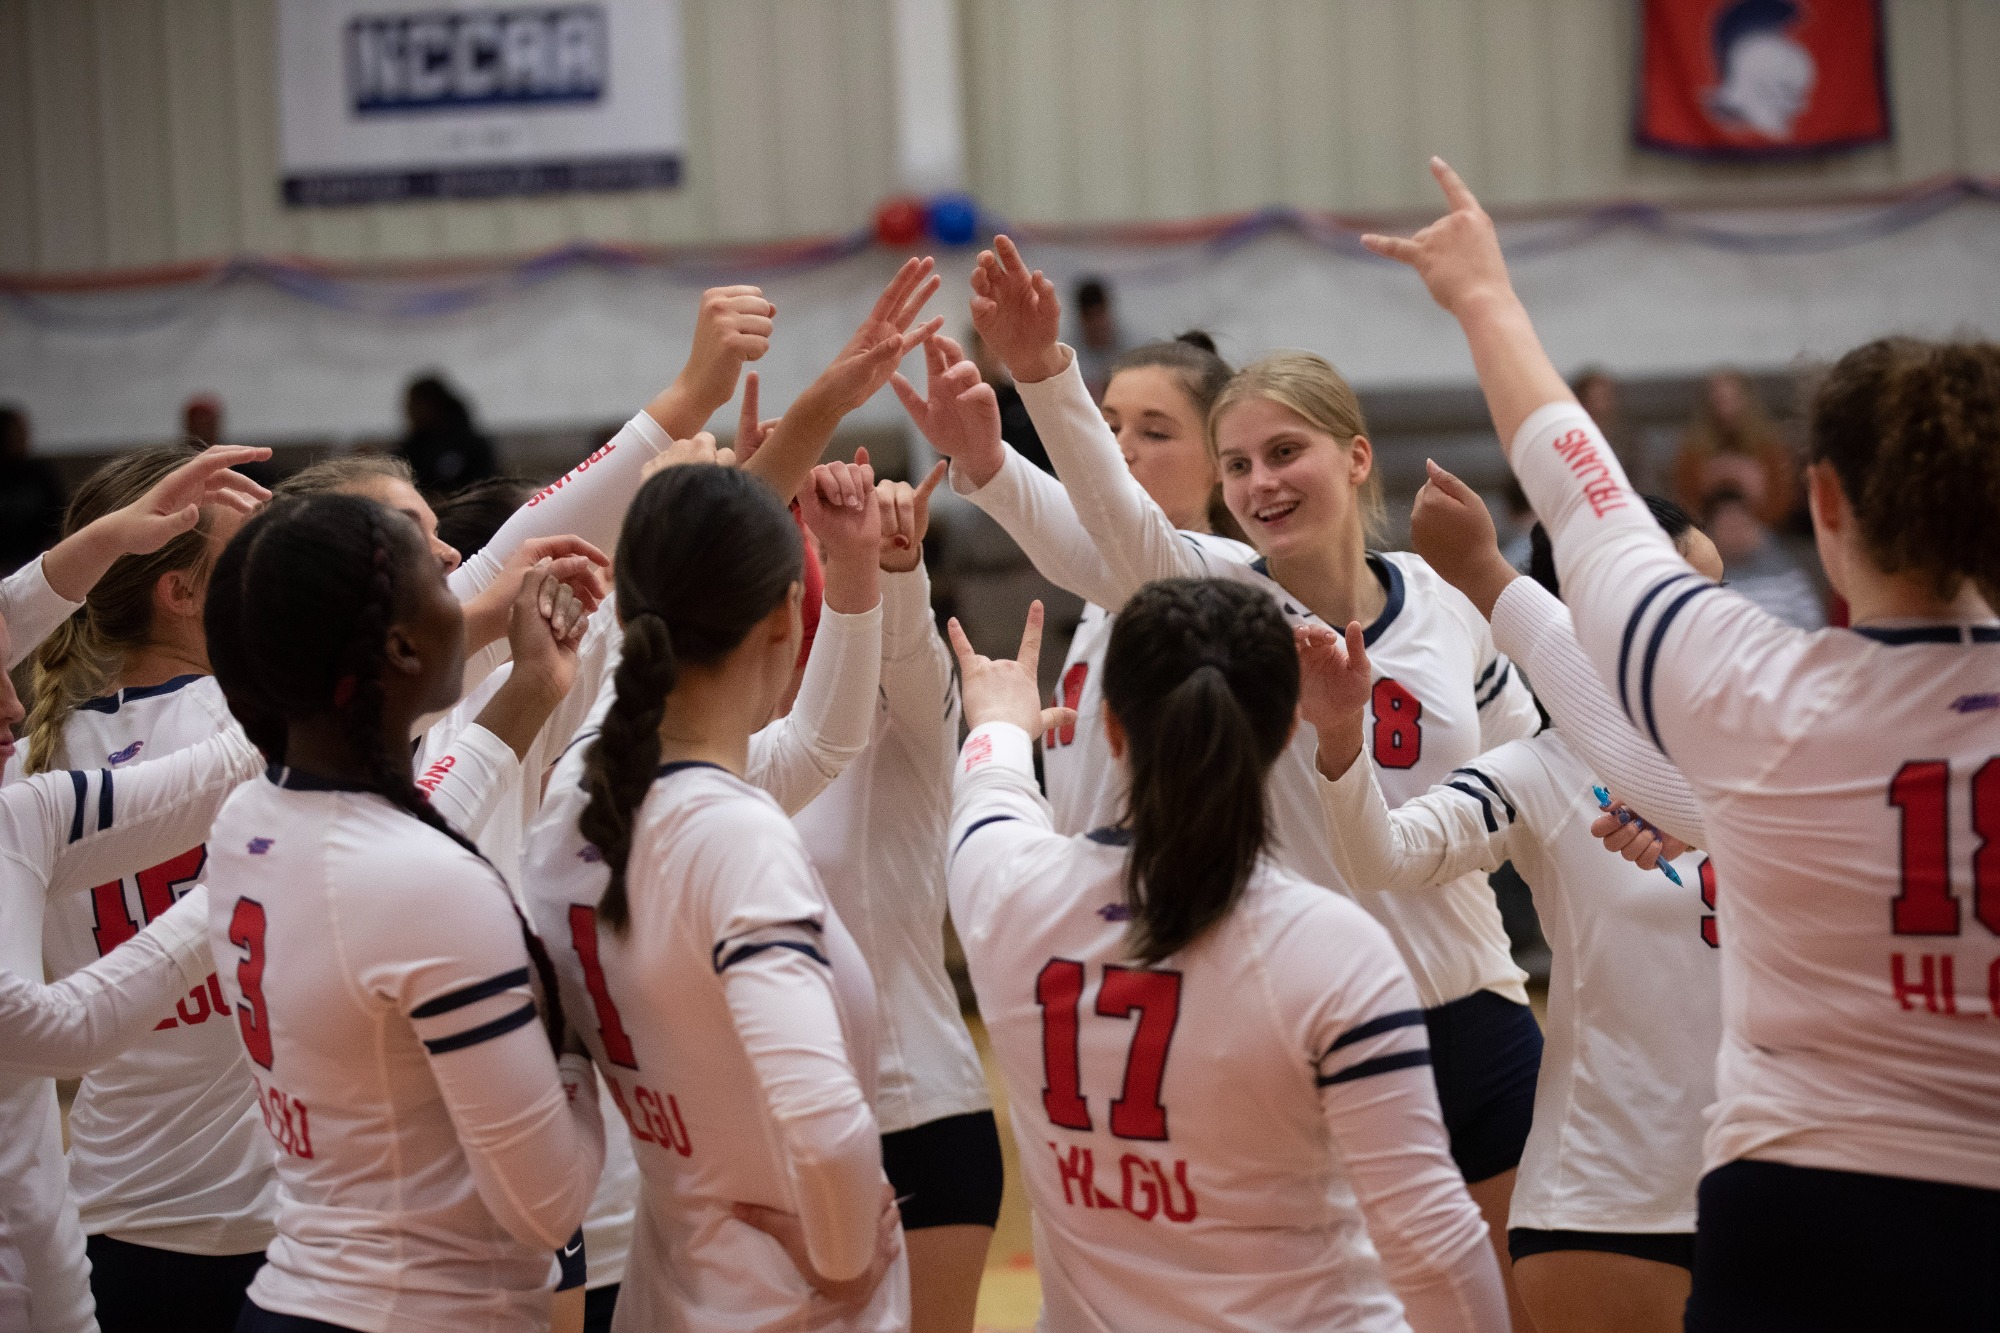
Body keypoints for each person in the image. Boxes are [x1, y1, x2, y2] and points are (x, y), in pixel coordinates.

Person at [1366, 154, 2000, 1330]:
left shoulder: (1761, 700)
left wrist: (1484, 298)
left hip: (1801, 1210)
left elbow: (1590, 513)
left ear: (1818, 501)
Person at [942, 234, 1547, 1319]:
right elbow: (1105, 526)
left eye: (1285, 453)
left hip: (1471, 1011)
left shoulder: (1443, 595)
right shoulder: (1223, 594)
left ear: (1355, 458)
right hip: (1313, 1024)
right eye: (1237, 465)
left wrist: (1451, 830)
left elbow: (1525, 761)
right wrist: (1032, 392)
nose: (1260, 483)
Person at [947, 580, 1507, 1331]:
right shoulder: (1331, 950)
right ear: (1285, 736)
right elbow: (1433, 1243)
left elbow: (991, 783)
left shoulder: (1002, 888)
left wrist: (1001, 715)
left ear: (1109, 729)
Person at [1305, 486, 1728, 1333]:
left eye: (1724, 594)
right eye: (1694, 596)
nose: (1721, 624)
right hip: (1609, 1200)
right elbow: (1377, 856)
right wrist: (1342, 741)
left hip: (1776, 1178)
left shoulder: (1774, 758)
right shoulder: (1539, 770)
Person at [201, 491, 604, 1332]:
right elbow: (548, 1206)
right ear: (399, 645)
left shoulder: (248, 823)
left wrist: (533, 685)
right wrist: (577, 1038)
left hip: (298, 1296)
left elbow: (414, 817)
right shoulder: (426, 885)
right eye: (437, 575)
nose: (464, 589)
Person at [525, 464, 905, 1332]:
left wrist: (846, 578)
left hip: (672, 1279)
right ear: (783, 614)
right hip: (785, 1301)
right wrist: (846, 1263)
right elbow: (821, 1118)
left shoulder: (577, 799)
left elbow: (820, 740)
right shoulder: (733, 836)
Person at [894, 328, 1254, 837]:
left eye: (1154, 433)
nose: (1121, 449)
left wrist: (1035, 374)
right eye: (1107, 427)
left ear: (1225, 462)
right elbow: (1075, 533)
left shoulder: (1231, 576)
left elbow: (1089, 524)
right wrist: (980, 454)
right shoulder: (1106, 591)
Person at [791, 462, 1002, 1333]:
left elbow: (911, 656)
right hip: (782, 1138)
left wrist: (897, 570)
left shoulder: (897, 720)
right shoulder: (726, 744)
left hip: (915, 1114)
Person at [1671, 369, 1795, 527]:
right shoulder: (1693, 449)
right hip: (1710, 530)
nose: (1725, 408)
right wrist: (1706, 482)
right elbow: (1685, 505)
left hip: (1759, 531)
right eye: (1718, 400)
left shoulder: (1769, 447)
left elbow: (1781, 506)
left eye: (1731, 399)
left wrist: (1755, 488)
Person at [1700, 484, 1825, 628]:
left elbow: (1815, 627)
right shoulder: (1699, 583)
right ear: (1710, 534)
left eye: (1742, 525)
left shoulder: (1788, 576)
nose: (1737, 536)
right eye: (1729, 528)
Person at [395, 373, 499, 494]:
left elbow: (486, 485)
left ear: (434, 405)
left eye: (416, 404)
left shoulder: (471, 446)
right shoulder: (412, 448)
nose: (409, 411)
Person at [0, 404, 67, 575]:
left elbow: (60, 516)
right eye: (14, 432)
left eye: (22, 431)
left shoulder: (39, 473)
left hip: (36, 562)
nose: (22, 437)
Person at [1070, 277, 1127, 402]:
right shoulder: (1068, 355)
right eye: (1090, 317)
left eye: (1100, 314)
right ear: (1081, 319)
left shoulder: (1134, 345)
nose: (1097, 323)